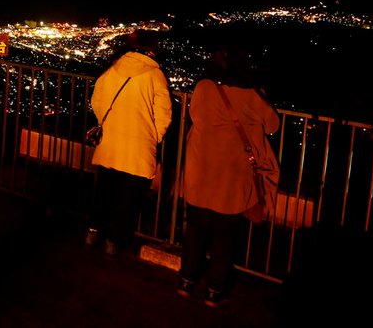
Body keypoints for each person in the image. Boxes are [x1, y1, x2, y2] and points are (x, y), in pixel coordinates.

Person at [177, 39, 280, 307]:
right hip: (234, 181)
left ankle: (186, 281)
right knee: (225, 238)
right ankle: (214, 290)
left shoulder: (203, 88)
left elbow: (195, 116)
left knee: (195, 232)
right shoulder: (253, 96)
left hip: (201, 176)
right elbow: (273, 126)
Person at [86, 29, 173, 256]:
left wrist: (107, 121)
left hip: (111, 141)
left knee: (104, 189)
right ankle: (113, 241)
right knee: (127, 196)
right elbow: (164, 113)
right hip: (139, 144)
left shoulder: (113, 69)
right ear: (152, 48)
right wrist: (155, 136)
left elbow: (97, 99)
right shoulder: (155, 75)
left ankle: (93, 231)